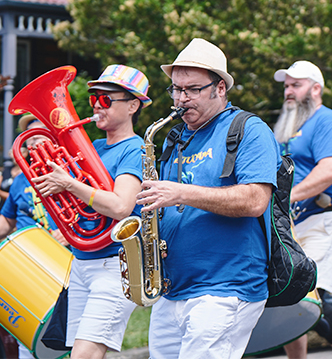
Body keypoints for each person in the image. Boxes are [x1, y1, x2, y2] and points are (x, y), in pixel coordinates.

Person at [135, 38, 280, 359]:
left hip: (226, 286)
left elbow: (256, 199)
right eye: (175, 89)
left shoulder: (249, 129)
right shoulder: (174, 136)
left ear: (220, 89)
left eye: (192, 90)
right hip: (173, 289)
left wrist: (181, 193)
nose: (181, 99)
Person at [32, 64, 151, 359]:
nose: (98, 105)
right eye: (94, 98)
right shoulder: (91, 146)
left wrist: (70, 184)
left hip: (114, 265)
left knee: (84, 355)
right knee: (80, 354)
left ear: (133, 105)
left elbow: (121, 206)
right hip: (82, 263)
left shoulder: (134, 149)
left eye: (107, 100)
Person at [273, 60, 332, 359]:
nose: (288, 91)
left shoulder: (327, 121)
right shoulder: (284, 128)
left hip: (324, 218)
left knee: (311, 299)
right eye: (286, 86)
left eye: (296, 85)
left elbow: (331, 170)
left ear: (316, 88)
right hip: (292, 226)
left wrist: (286, 197)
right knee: (288, 299)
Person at [0, 113, 69, 359]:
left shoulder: (72, 172)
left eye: (37, 134)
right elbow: (6, 221)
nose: (30, 142)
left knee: (67, 342)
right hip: (26, 267)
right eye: (26, 137)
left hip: (62, 267)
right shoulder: (21, 180)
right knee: (28, 342)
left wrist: (69, 235)